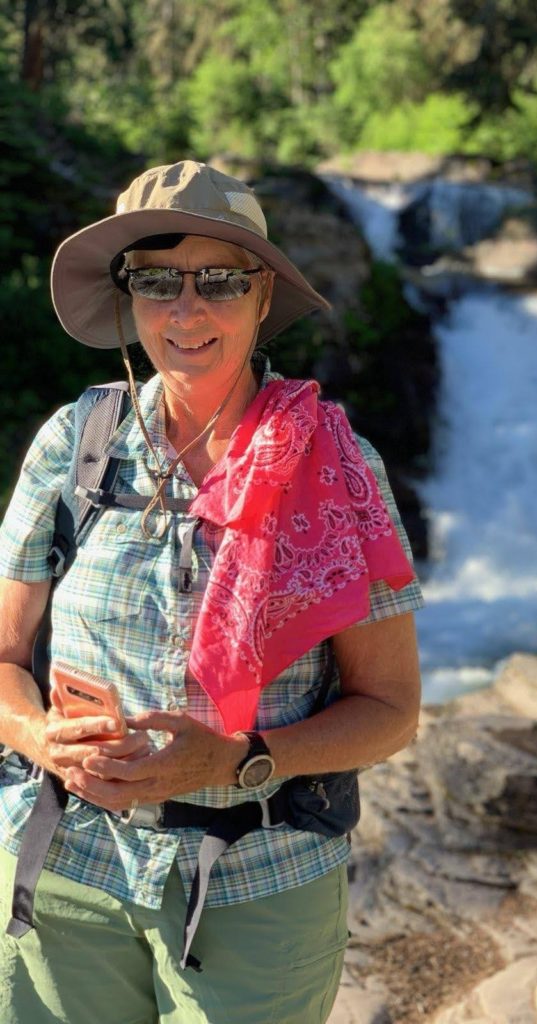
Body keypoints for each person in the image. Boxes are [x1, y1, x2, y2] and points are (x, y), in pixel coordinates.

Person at [0, 160, 423, 1023]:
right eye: (157, 280)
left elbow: (392, 710)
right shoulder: (76, 444)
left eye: (219, 279)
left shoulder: (339, 468)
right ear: (127, 297)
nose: (186, 309)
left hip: (258, 887)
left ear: (264, 294)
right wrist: (45, 737)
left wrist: (237, 761)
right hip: (66, 868)